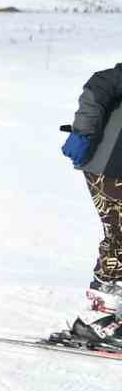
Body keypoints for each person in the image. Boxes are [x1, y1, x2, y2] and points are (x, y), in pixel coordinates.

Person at [63, 62, 122, 345]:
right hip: (111, 165)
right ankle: (96, 318)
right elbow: (100, 84)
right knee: (119, 238)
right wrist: (83, 131)